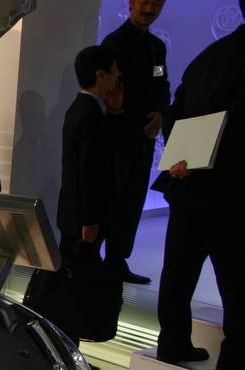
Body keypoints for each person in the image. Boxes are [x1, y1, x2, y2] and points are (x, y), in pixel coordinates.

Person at [155, 0, 245, 370]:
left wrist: (183, 158)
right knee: (239, 276)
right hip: (230, 188)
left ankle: (172, 341)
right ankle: (234, 357)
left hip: (185, 182)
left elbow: (174, 110)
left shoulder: (208, 55)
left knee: (178, 268)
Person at [53, 46, 120, 351]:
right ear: (100, 75)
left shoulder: (80, 109)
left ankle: (69, 349)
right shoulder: (89, 114)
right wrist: (91, 220)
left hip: (74, 215)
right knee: (75, 289)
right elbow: (90, 174)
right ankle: (68, 350)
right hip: (83, 220)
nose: (118, 77)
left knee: (73, 287)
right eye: (114, 71)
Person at [101, 0, 170, 285]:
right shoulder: (114, 43)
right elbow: (109, 92)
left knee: (133, 200)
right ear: (130, 3)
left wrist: (160, 115)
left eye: (156, 2)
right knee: (112, 199)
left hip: (144, 138)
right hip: (118, 137)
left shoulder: (157, 47)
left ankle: (117, 259)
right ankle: (97, 261)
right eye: (144, 1)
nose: (149, 8)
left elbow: (161, 82)